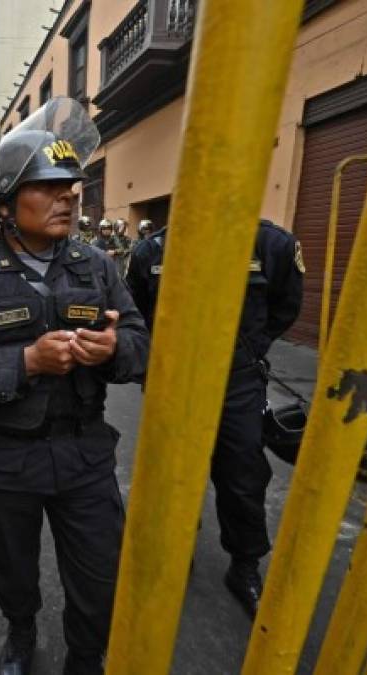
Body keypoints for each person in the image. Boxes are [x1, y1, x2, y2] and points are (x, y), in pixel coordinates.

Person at [0, 97, 149, 675]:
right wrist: (26, 361)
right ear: (4, 205)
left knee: (100, 578)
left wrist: (115, 348)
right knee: (14, 568)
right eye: (47, 186)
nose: (69, 195)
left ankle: (85, 658)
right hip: (5, 463)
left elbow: (144, 342)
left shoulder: (97, 266)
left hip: (84, 456)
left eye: (71, 184)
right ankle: (20, 635)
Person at [124, 218, 304, 619]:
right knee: (171, 472)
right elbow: (134, 312)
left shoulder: (271, 244)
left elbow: (285, 307)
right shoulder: (152, 251)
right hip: (173, 381)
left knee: (242, 473)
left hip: (237, 381)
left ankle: (244, 566)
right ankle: (176, 549)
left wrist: (249, 351)